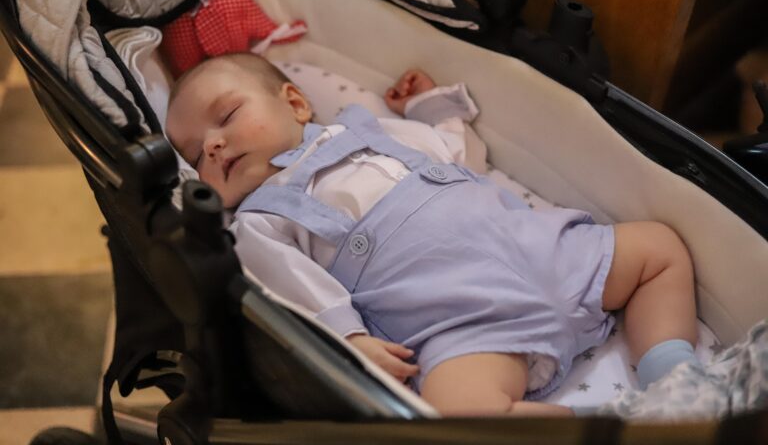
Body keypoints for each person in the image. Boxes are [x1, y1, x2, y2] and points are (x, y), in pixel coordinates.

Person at [165, 52, 699, 417]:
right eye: (194, 155)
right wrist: (350, 342)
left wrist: (430, 109)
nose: (212, 145)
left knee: (658, 249)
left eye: (227, 115)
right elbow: (291, 290)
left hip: (547, 251)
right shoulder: (257, 221)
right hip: (464, 323)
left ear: (296, 103)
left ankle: (674, 379)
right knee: (456, 416)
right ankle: (600, 426)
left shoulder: (366, 128)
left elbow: (455, 154)